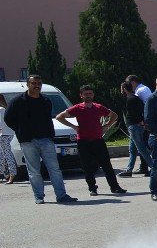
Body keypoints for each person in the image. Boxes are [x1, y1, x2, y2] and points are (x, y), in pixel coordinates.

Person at [2, 75, 76, 204]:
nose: (37, 85)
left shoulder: (45, 101)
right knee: (34, 171)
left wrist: (50, 135)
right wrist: (20, 131)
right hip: (28, 141)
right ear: (28, 84)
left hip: (46, 139)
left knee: (54, 169)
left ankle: (62, 196)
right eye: (34, 83)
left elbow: (48, 120)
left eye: (39, 83)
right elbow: (8, 119)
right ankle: (39, 196)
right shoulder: (17, 101)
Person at [56, 84, 127, 196]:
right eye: (86, 94)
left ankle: (115, 187)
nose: (88, 96)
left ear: (93, 94)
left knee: (106, 165)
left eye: (90, 93)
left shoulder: (98, 107)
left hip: (98, 140)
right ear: (81, 95)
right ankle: (92, 188)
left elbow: (114, 115)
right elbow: (59, 117)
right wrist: (74, 127)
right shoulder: (77, 108)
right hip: (83, 141)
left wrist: (107, 126)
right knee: (87, 167)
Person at [119, 80, 154, 178]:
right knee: (132, 150)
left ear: (125, 89)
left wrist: (140, 121)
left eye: (122, 89)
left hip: (134, 127)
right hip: (136, 126)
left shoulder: (130, 99)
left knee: (141, 149)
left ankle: (154, 168)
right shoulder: (136, 98)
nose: (121, 91)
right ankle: (129, 169)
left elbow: (133, 114)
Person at [0, 94, 18, 184]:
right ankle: (6, 174)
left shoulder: (1, 109)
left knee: (7, 155)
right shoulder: (5, 109)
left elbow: (2, 124)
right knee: (2, 155)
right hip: (6, 134)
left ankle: (11, 175)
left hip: (4, 134)